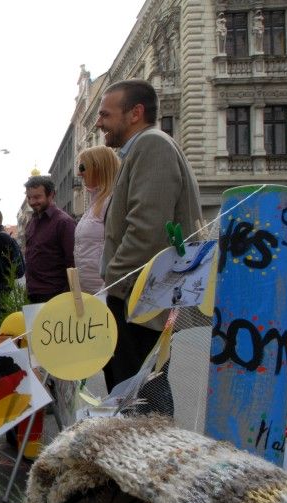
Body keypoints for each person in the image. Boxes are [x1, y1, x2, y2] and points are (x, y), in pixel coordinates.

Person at [97, 79, 202, 409]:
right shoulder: (138, 151)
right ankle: (145, 453)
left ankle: (155, 457)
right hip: (137, 294)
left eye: (105, 114)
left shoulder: (152, 145)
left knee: (141, 394)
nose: (99, 123)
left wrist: (114, 281)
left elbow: (147, 230)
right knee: (132, 390)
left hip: (138, 296)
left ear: (135, 113)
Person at [73, 146, 121, 294]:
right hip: (89, 295)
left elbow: (120, 250)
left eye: (82, 167)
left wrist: (105, 291)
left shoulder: (113, 201)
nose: (79, 173)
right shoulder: (95, 203)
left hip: (104, 294)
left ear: (98, 167)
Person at [23, 175, 76, 304]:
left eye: (37, 197)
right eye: (29, 197)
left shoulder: (64, 222)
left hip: (55, 295)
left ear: (51, 195)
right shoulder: (32, 222)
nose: (32, 202)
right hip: (34, 293)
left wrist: (69, 295)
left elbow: (72, 262)